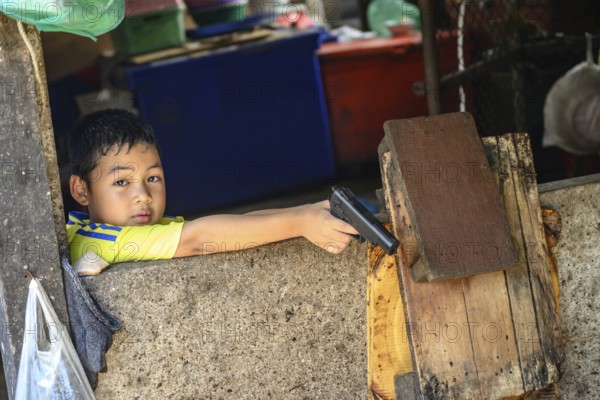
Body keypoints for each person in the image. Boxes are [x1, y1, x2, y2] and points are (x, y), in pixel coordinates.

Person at [66, 109, 358, 273]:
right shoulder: (102, 239)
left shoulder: (101, 226)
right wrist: (300, 222)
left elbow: (235, 223)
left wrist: (306, 212)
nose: (143, 194)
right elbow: (198, 238)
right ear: (82, 191)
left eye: (153, 177)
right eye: (121, 182)